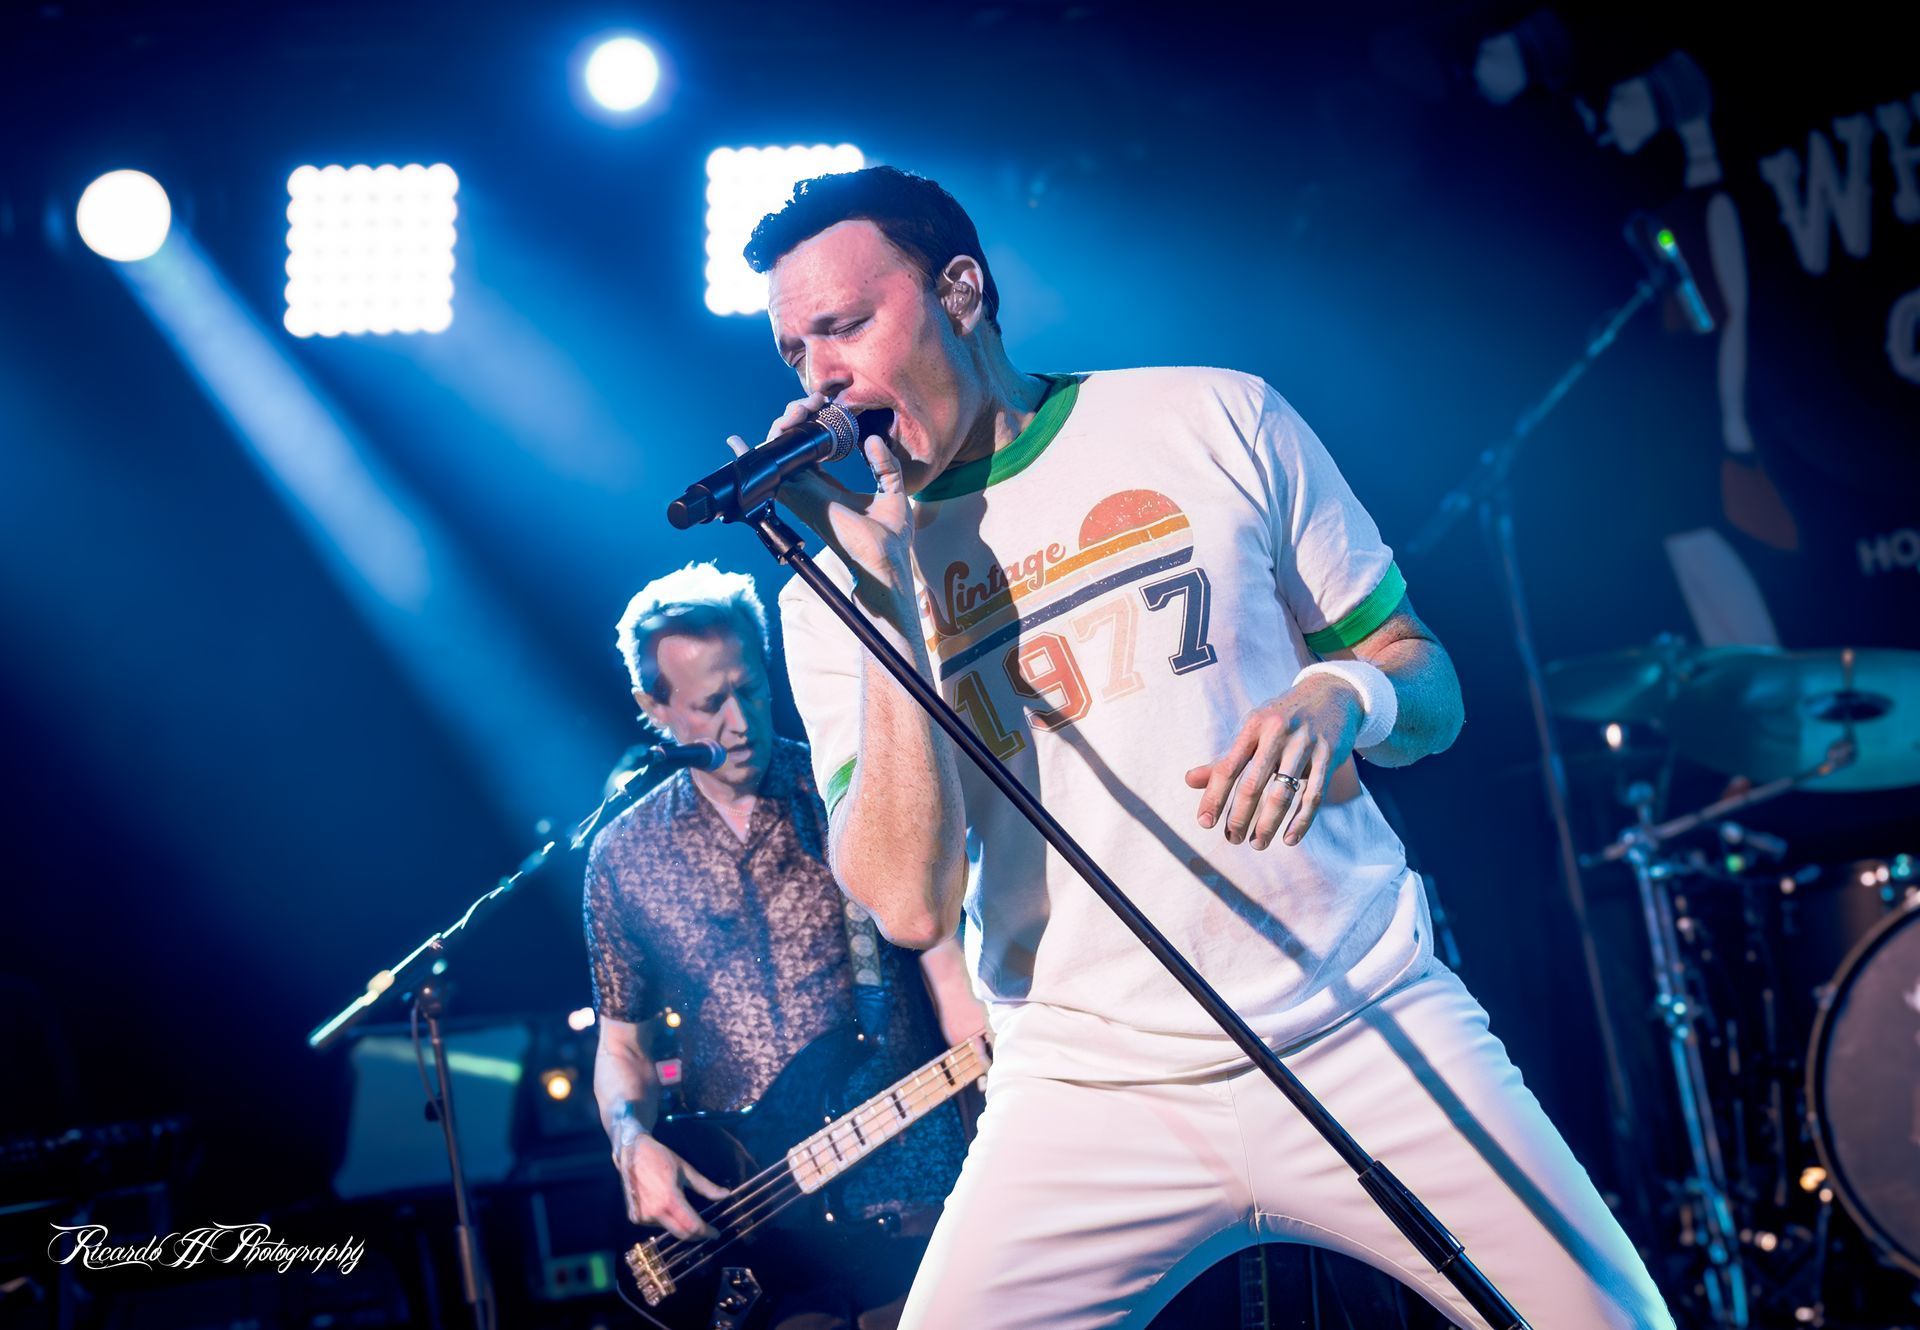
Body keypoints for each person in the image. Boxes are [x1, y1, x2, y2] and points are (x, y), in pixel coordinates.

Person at [735, 166, 1676, 1329]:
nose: (822, 374)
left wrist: (1344, 696)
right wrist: (885, 602)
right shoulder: (834, 581)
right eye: (794, 352)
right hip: (1087, 1088)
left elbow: (1426, 683)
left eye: (845, 325)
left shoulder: (1209, 415)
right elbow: (905, 904)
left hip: (1363, 1021)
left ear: (963, 291)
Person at [583, 561, 979, 1330]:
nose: (740, 721)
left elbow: (942, 962)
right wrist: (630, 1140)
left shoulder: (847, 796)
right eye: (708, 704)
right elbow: (621, 1045)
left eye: (752, 688)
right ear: (653, 707)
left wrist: (991, 1061)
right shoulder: (623, 856)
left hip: (913, 1181)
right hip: (758, 1223)